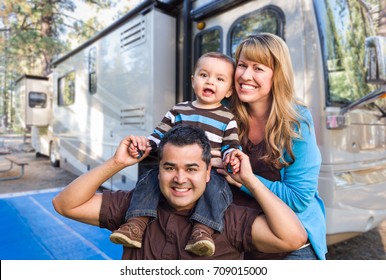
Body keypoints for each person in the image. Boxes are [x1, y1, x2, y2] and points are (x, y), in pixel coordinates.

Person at [52, 124, 307, 259]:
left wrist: (250, 181)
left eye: (192, 169)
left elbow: (293, 238)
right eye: (170, 167)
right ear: (159, 170)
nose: (180, 179)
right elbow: (65, 204)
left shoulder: (228, 219)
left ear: (208, 173)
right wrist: (116, 163)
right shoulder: (134, 209)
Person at [109, 52, 242, 257]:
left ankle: (202, 231)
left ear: (229, 91)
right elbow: (158, 136)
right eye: (204, 75)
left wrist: (232, 156)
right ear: (193, 80)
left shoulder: (228, 118)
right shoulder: (178, 110)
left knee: (217, 189)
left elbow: (232, 146)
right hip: (176, 168)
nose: (210, 82)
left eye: (219, 79)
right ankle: (135, 224)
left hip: (209, 172)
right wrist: (144, 146)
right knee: (149, 179)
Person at [218, 33, 327, 260]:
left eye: (258, 68)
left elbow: (298, 198)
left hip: (290, 237)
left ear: (277, 75)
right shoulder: (222, 111)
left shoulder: (297, 122)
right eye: (242, 65)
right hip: (236, 230)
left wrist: (244, 179)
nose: (246, 75)